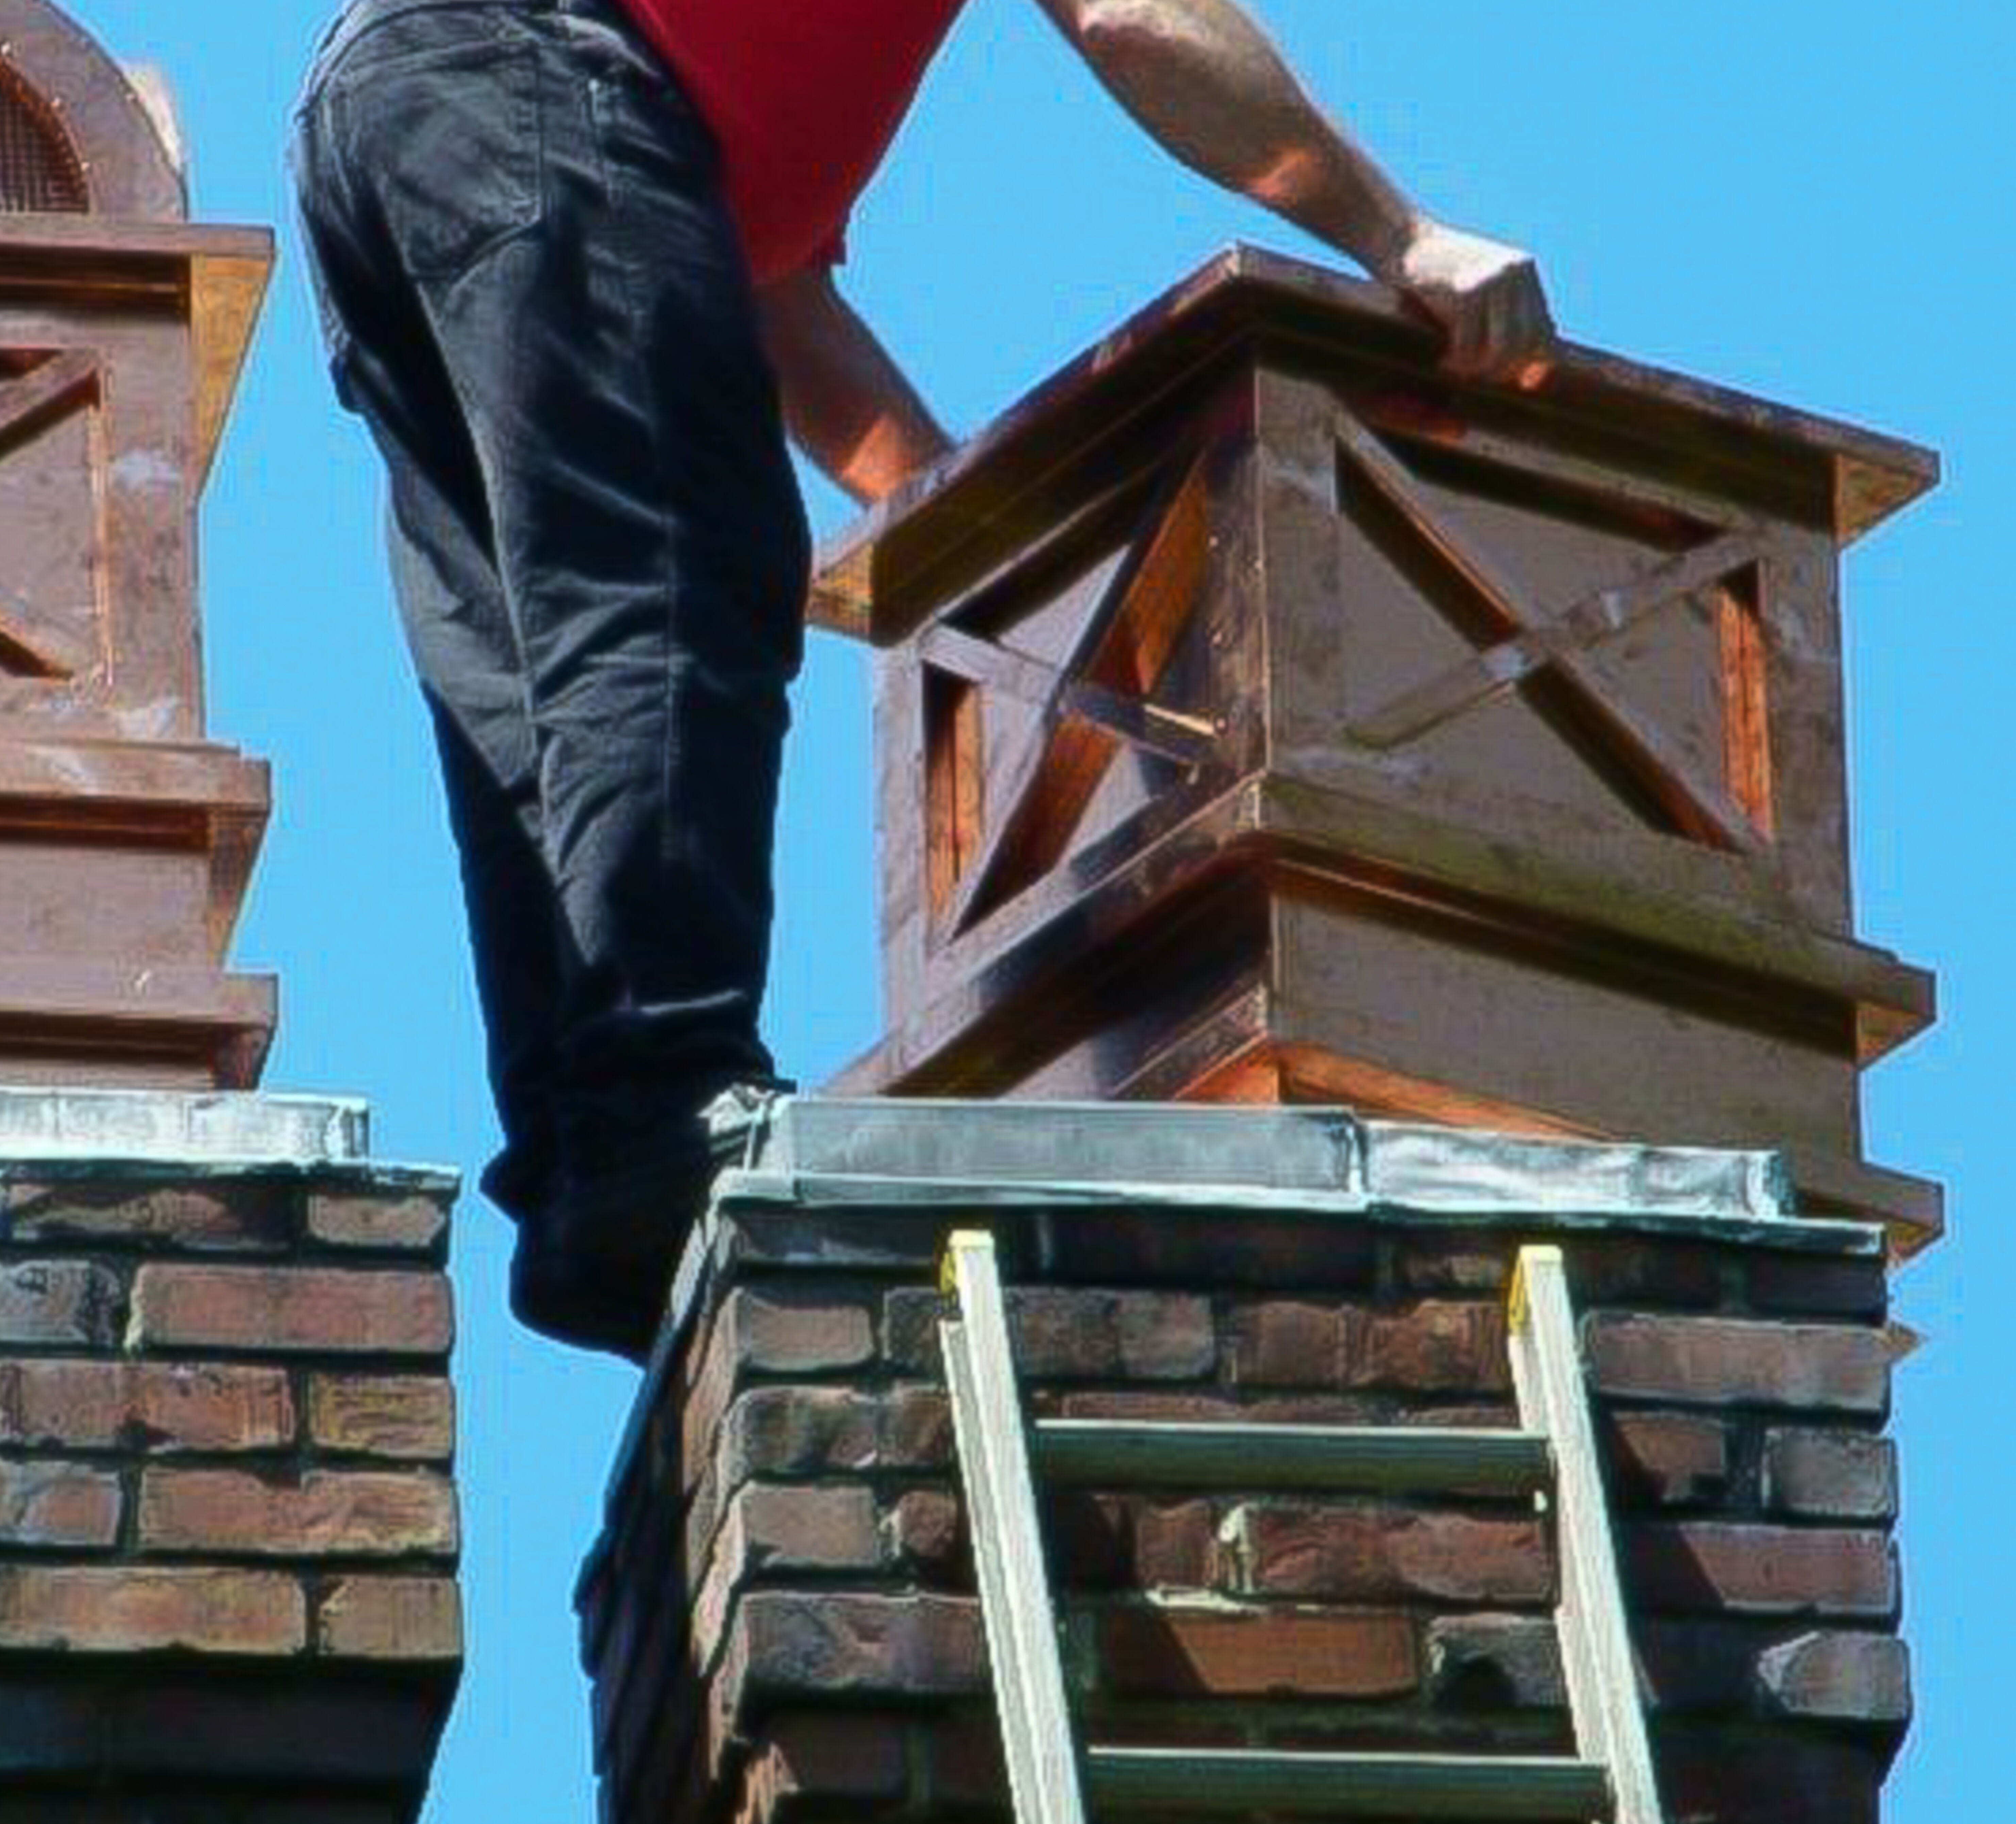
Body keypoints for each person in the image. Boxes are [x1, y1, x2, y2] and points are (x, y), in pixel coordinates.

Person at [290, 0, 1552, 1362]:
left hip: (393, 120)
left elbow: (772, 298)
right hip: (532, 78)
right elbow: (1139, 17)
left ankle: (594, 1176)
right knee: (669, 579)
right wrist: (1401, 236)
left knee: (544, 666)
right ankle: (654, 1107)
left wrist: (977, 542)